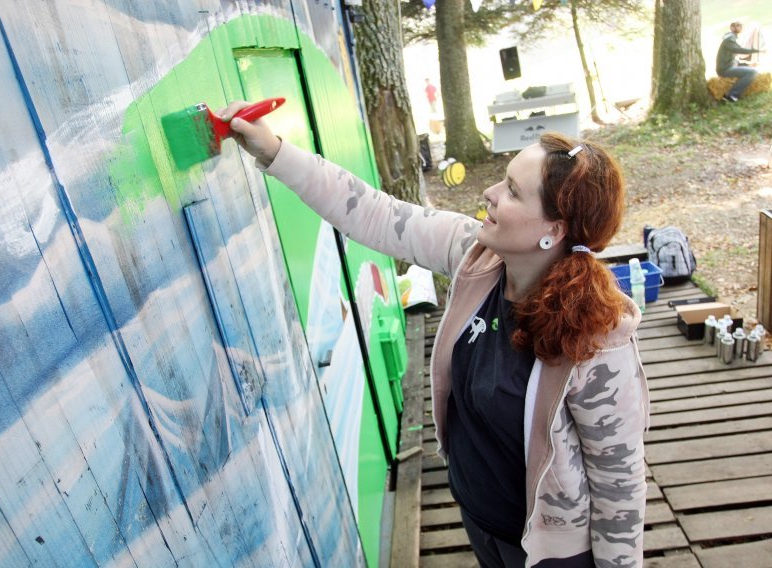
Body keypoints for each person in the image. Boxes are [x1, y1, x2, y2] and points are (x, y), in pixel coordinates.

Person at [222, 101, 649, 567]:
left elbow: (619, 484)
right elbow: (375, 213)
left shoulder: (598, 340)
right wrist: (275, 151)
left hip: (548, 553)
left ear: (553, 229)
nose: (488, 192)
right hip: (480, 517)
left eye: (510, 190)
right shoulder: (477, 255)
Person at [716, 21, 763, 102]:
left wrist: (746, 63)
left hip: (729, 66)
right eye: (733, 26)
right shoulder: (729, 39)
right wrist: (756, 50)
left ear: (742, 28)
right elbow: (738, 49)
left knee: (750, 68)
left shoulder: (731, 37)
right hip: (725, 69)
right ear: (730, 28)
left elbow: (732, 57)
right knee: (752, 72)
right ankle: (731, 95)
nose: (736, 27)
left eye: (738, 26)